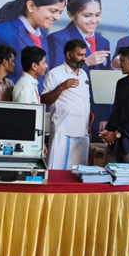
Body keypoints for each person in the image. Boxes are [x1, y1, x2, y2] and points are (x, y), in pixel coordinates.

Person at [48, 0, 112, 139]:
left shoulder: (103, 42)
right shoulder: (58, 39)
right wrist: (86, 62)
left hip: (96, 113)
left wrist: (104, 116)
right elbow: (56, 77)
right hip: (68, 111)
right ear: (71, 15)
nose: (94, 20)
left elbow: (104, 85)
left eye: (98, 15)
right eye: (87, 15)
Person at [0, 0, 65, 93]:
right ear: (31, 6)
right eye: (53, 11)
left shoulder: (42, 35)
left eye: (60, 13)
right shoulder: (0, 33)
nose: (58, 17)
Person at [41, 39, 90, 169]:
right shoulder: (55, 74)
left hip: (82, 131)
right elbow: (45, 100)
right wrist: (61, 87)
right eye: (80, 55)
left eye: (85, 55)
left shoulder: (84, 74)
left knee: (78, 173)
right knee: (58, 171)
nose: (84, 58)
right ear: (69, 55)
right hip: (63, 131)